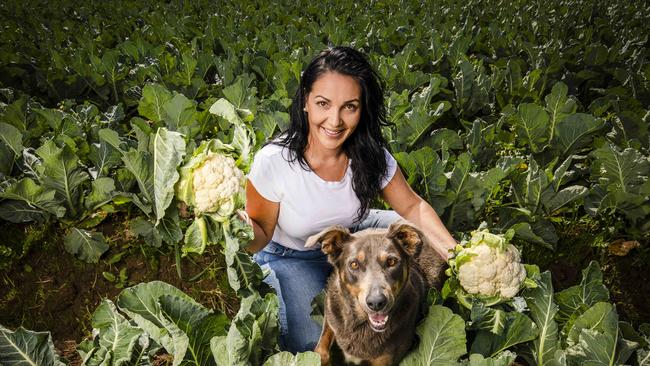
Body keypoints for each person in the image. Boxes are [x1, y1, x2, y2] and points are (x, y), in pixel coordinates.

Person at [244, 46, 457, 353]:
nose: (335, 120)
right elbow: (260, 236)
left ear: (362, 108)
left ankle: (423, 298)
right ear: (305, 101)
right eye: (323, 104)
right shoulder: (275, 161)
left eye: (349, 107)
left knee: (422, 233)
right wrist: (240, 232)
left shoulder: (368, 154)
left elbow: (412, 207)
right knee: (310, 346)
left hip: (351, 237)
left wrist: (458, 256)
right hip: (291, 253)